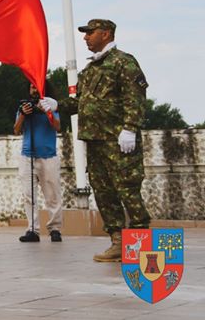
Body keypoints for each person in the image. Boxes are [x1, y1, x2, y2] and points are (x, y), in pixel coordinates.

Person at [62, 18, 150, 262]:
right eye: (86, 33)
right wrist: (54, 105)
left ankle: (142, 240)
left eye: (91, 32)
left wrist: (130, 128)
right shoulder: (90, 70)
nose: (86, 37)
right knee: (103, 192)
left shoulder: (123, 62)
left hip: (119, 141)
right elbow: (79, 102)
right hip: (95, 141)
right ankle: (118, 242)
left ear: (106, 33)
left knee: (128, 190)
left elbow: (136, 97)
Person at [14, 81, 63, 243]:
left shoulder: (50, 105)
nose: (33, 89)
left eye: (36, 87)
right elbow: (16, 130)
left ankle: (55, 229)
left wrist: (48, 111)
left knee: (52, 195)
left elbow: (57, 127)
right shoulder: (24, 107)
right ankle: (32, 230)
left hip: (48, 156)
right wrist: (22, 114)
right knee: (29, 195)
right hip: (27, 156)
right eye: (31, 87)